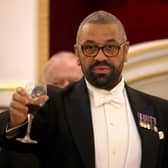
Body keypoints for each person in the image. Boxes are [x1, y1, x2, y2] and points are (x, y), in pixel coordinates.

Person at [1, 10, 168, 168]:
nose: (100, 57)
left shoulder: (160, 110)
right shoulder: (53, 103)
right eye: (90, 48)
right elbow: (13, 142)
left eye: (110, 47)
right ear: (78, 53)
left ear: (125, 52)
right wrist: (16, 122)